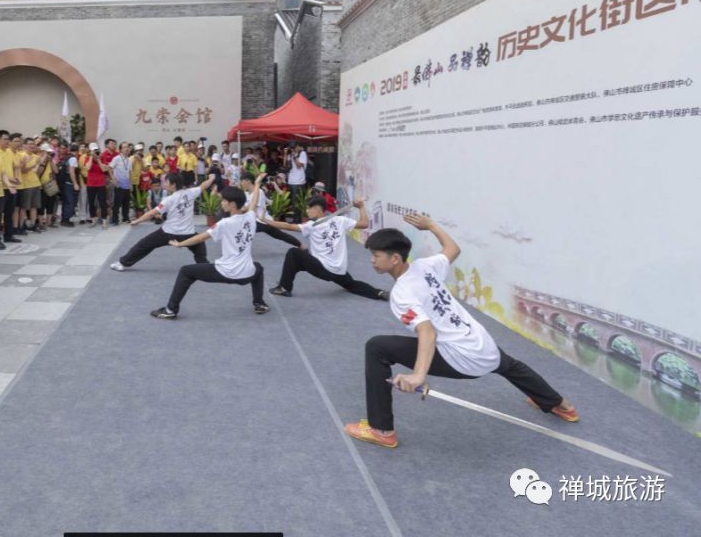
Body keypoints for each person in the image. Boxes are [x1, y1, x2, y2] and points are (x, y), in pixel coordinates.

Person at [343, 216, 578, 449]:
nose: (372, 261)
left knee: (376, 347)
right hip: (481, 343)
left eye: (376, 256)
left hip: (462, 358)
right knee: (510, 366)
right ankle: (561, 405)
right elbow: (453, 249)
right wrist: (432, 226)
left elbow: (427, 332)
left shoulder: (402, 294)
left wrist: (417, 375)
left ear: (395, 259)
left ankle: (381, 430)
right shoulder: (425, 266)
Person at [150, 175, 269, 319]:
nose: (222, 202)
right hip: (247, 273)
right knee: (258, 267)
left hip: (226, 272)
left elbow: (201, 237)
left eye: (224, 200)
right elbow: (254, 201)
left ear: (232, 205)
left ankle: (170, 310)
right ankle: (259, 303)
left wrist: (179, 243)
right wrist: (257, 183)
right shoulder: (251, 217)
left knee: (186, 271)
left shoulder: (225, 223)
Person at [266, 197, 388, 300]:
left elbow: (289, 226)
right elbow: (365, 224)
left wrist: (267, 221)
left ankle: (284, 288)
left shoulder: (311, 225)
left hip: (323, 269)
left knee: (293, 253)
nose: (307, 211)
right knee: (352, 284)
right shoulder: (341, 220)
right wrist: (361, 206)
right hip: (338, 270)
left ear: (317, 210)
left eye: (309, 208)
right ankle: (379, 293)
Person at [110, 172, 215, 271]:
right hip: (188, 234)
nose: (164, 184)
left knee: (143, 245)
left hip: (168, 233)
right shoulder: (191, 192)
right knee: (199, 246)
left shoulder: (168, 200)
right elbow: (204, 185)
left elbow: (151, 213)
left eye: (166, 182)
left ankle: (122, 264)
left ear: (173, 185)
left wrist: (136, 221)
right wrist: (211, 178)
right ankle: (203, 266)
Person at [236, 172, 301, 249]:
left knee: (281, 235)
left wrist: (242, 209)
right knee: (280, 235)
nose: (241, 183)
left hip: (262, 221)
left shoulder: (259, 192)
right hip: (255, 220)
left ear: (248, 181)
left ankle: (301, 245)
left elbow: (250, 208)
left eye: (242, 181)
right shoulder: (247, 193)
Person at [0, 130, 22, 244]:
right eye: (5, 139)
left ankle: (9, 235)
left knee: (9, 212)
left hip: (11, 187)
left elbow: (14, 166)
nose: (7, 142)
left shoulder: (9, 152)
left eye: (8, 139)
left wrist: (14, 178)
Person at [83, 142, 110, 229]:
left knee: (102, 202)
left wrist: (98, 159)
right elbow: (88, 168)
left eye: (96, 150)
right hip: (91, 183)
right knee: (91, 202)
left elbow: (103, 169)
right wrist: (91, 156)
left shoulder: (102, 158)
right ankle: (93, 220)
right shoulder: (87, 158)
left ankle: (104, 221)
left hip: (101, 183)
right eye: (94, 151)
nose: (95, 152)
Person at [56, 142, 80, 227]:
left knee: (66, 201)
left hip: (64, 183)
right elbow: (71, 171)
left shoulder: (66, 158)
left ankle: (64, 219)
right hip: (69, 183)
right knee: (70, 202)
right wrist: (75, 183)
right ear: (77, 150)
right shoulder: (73, 159)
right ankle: (66, 219)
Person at [110, 142, 132, 225]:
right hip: (118, 184)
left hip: (127, 184)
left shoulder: (129, 160)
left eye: (128, 147)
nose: (127, 149)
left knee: (126, 203)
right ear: (120, 150)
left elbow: (129, 172)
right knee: (117, 203)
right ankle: (115, 220)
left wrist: (130, 184)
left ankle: (125, 218)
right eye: (125, 147)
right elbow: (109, 168)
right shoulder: (117, 158)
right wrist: (113, 178)